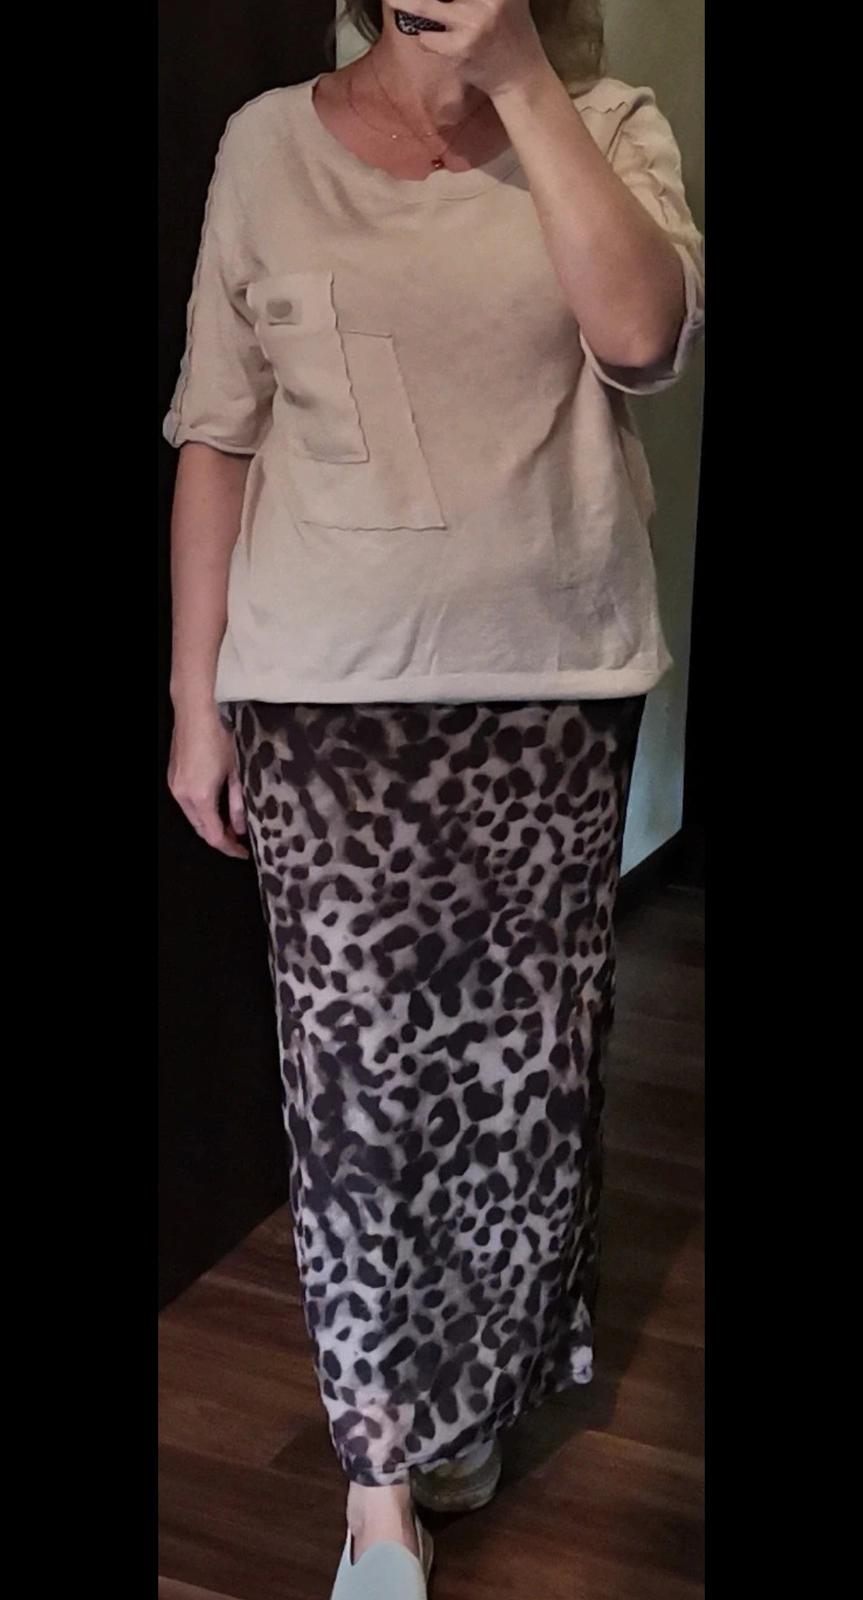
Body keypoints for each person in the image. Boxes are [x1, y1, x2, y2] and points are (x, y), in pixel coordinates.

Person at [164, 2, 704, 1595]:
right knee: (358, 1103)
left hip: (553, 695)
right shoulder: (266, 144)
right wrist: (194, 702)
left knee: (522, 1088)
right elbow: (218, 433)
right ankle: (378, 1486)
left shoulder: (608, 125)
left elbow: (646, 341)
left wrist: (521, 77)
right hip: (324, 706)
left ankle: (459, 1398)